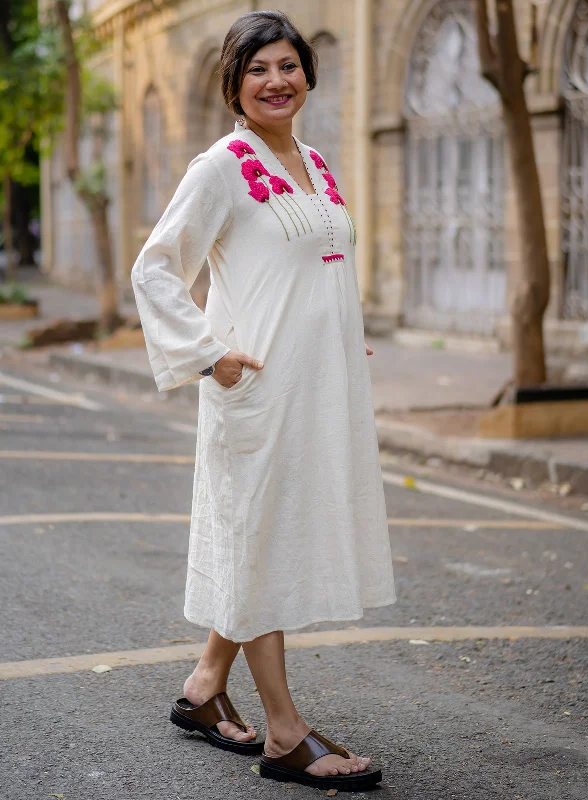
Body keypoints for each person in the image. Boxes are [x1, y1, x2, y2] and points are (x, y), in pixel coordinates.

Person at [131, 9, 396, 792]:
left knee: (263, 539)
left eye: (287, 66)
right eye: (258, 70)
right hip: (255, 390)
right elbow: (155, 270)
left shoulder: (312, 160)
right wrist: (208, 355)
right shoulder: (221, 166)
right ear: (235, 86)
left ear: (307, 75)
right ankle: (285, 735)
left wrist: (340, 333)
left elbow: (314, 263)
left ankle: (204, 688)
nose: (276, 81)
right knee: (258, 542)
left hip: (314, 388)